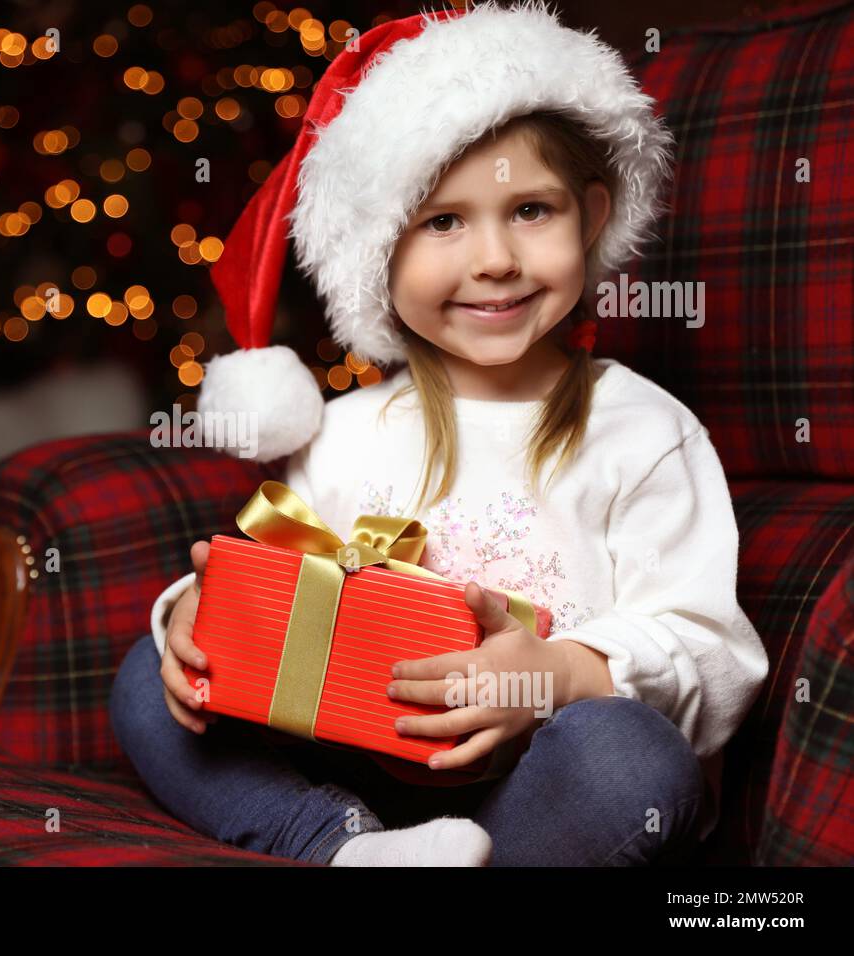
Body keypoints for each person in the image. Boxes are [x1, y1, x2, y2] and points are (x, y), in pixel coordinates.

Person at [110, 0, 769, 866]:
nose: (493, 259)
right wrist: (208, 620)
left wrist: (554, 675)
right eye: (443, 222)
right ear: (380, 252)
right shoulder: (345, 432)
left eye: (530, 210)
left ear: (593, 213)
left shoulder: (642, 431)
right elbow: (272, 597)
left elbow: (714, 656)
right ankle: (336, 846)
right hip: (342, 768)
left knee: (630, 760)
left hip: (529, 786)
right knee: (145, 678)